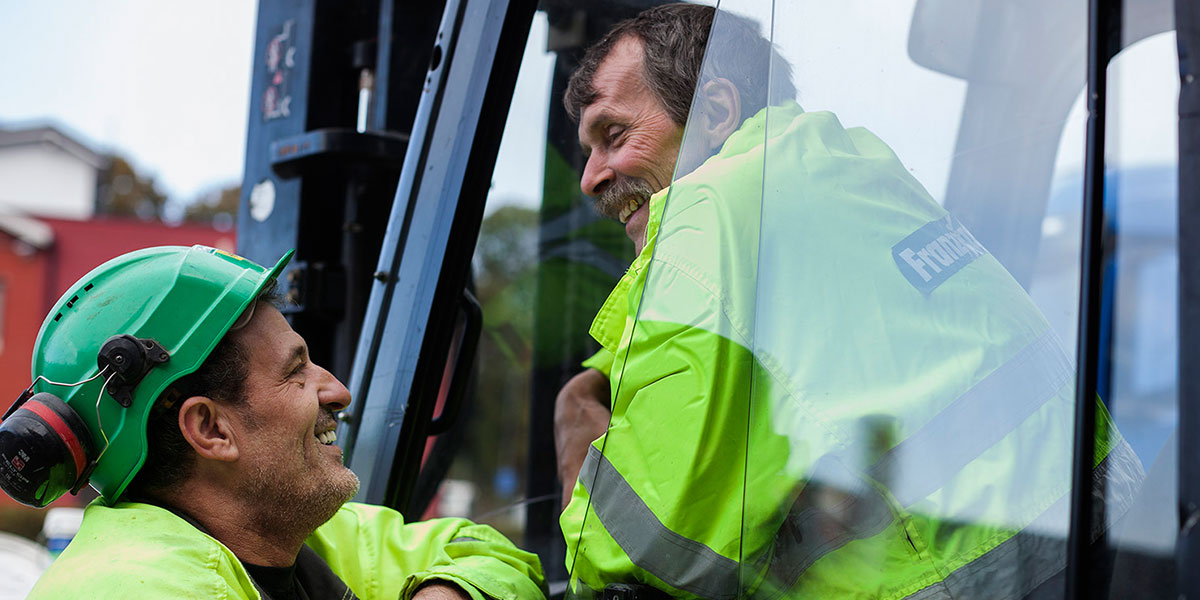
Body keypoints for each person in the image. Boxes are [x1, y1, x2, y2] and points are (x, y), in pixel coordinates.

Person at [553, 4, 1143, 599]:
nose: (590, 177)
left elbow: (654, 549)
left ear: (715, 110)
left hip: (968, 577)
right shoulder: (846, 161)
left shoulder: (709, 210)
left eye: (615, 135)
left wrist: (537, 542)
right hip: (1104, 533)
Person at [0, 246, 546, 599]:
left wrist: (448, 591)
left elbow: (489, 553)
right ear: (211, 430)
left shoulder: (293, 534)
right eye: (296, 371)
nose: (339, 391)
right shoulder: (128, 589)